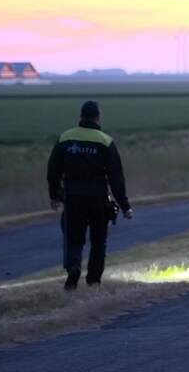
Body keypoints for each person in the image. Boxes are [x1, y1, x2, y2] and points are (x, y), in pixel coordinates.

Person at [47, 101, 133, 290]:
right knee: (98, 240)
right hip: (98, 198)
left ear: (81, 116)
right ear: (97, 117)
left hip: (73, 196)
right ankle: (93, 280)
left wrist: (55, 195)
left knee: (73, 236)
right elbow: (116, 177)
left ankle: (74, 267)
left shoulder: (65, 138)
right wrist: (125, 206)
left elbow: (53, 170)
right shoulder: (105, 141)